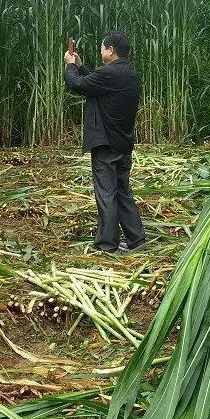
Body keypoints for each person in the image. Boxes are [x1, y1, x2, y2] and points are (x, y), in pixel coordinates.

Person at [63, 31, 146, 254]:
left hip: (106, 144)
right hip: (123, 144)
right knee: (122, 191)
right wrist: (80, 67)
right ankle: (136, 240)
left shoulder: (109, 74)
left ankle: (107, 245)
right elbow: (95, 85)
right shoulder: (129, 74)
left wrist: (70, 65)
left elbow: (77, 85)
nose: (101, 52)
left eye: (102, 48)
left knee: (106, 193)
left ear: (111, 50)